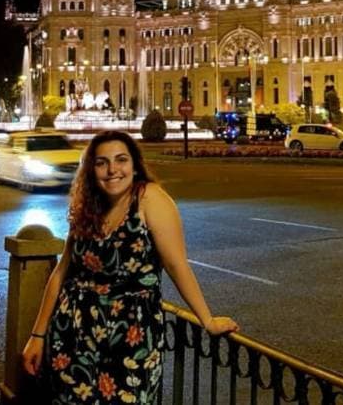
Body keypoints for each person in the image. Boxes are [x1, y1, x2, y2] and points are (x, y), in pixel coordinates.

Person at [21, 130, 238, 402]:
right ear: (92, 170)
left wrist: (207, 320)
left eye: (121, 160)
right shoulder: (90, 207)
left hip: (130, 337)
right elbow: (62, 272)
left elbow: (175, 264)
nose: (113, 170)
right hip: (73, 336)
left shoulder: (149, 198)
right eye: (102, 162)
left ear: (135, 166)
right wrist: (37, 335)